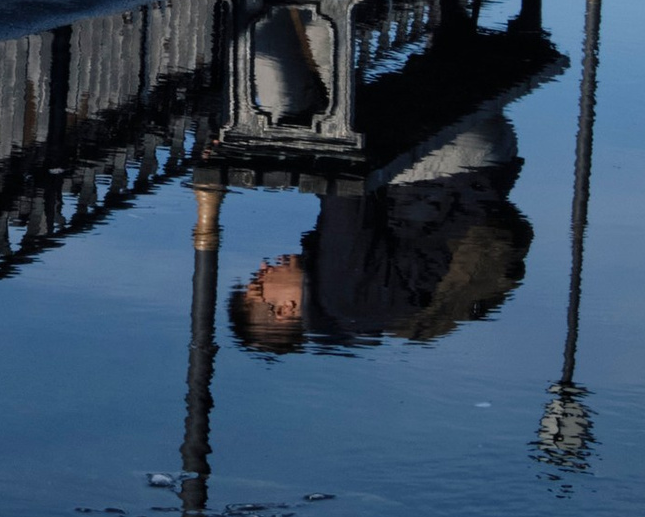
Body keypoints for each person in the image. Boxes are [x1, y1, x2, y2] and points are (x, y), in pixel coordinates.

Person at [228, 104, 532, 351]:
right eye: (258, 286)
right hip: (458, 157)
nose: (263, 268)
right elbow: (344, 185)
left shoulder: (358, 313)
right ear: (285, 309)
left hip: (486, 161)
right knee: (302, 105)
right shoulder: (342, 297)